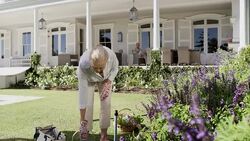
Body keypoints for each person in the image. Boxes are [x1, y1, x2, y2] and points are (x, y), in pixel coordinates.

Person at [77, 45, 119, 141]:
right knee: (88, 103)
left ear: (106, 60)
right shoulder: (84, 65)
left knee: (106, 103)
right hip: (88, 78)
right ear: (91, 63)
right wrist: (82, 120)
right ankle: (85, 130)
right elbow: (82, 97)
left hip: (105, 78)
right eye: (96, 67)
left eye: (101, 67)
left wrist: (108, 81)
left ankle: (103, 135)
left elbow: (115, 69)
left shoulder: (111, 56)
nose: (99, 71)